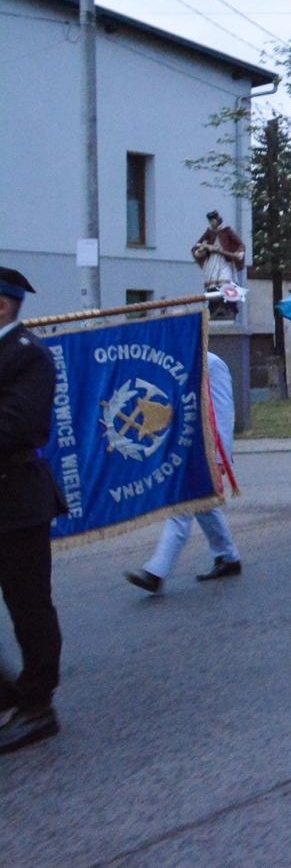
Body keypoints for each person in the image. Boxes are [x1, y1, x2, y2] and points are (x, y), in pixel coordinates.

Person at [0, 266, 64, 754]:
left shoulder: (29, 356)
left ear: (2, 305)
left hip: (16, 499)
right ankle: (7, 694)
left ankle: (38, 706)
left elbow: (15, 427)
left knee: (29, 607)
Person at [125, 352, 244, 592]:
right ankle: (227, 556)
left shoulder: (211, 364)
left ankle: (156, 572)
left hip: (203, 449)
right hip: (181, 448)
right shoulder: (171, 360)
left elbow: (223, 412)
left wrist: (219, 458)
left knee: (182, 507)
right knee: (202, 504)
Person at [191, 210, 246, 318]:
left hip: (224, 260)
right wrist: (203, 248)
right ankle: (214, 307)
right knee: (213, 283)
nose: (212, 223)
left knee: (225, 280)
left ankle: (227, 307)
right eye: (210, 221)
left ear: (217, 220)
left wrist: (239, 252)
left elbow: (240, 244)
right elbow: (198, 246)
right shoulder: (209, 232)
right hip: (212, 262)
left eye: (213, 220)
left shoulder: (227, 231)